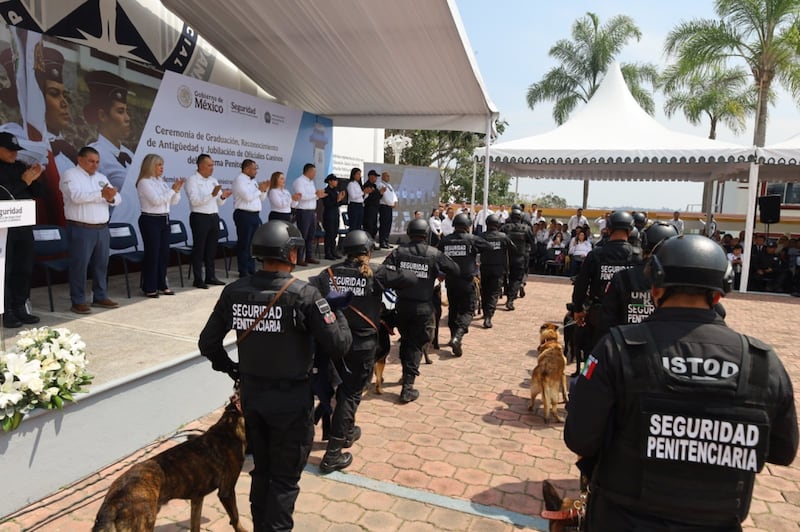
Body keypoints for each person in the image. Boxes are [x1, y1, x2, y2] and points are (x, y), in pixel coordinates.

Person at [564, 234, 798, 531]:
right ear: (718, 295)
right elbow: (782, 451)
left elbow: (580, 437)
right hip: (716, 521)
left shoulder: (618, 349)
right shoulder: (761, 362)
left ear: (655, 290)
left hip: (621, 517)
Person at [198, 220, 352, 531]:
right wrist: (338, 312)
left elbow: (208, 343)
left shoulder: (234, 291)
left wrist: (233, 370)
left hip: (253, 397)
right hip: (291, 402)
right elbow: (338, 344)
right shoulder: (305, 295)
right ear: (290, 254)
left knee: (263, 470)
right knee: (284, 478)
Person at [311, 230, 416, 473]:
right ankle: (333, 455)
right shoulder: (376, 272)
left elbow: (311, 293)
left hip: (333, 342)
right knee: (350, 394)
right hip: (362, 345)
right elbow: (409, 279)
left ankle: (346, 431)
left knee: (337, 389)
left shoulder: (328, 273)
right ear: (368, 251)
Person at [383, 219, 459, 403]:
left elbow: (384, 272)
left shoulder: (399, 252)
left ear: (409, 233)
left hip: (402, 306)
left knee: (407, 342)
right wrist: (438, 272)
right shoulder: (434, 254)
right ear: (426, 234)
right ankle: (407, 387)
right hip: (423, 308)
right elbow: (455, 269)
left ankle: (405, 376)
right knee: (416, 345)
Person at [571, 211, 640, 371]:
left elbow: (581, 285)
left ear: (607, 230)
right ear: (630, 231)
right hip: (628, 315)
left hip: (599, 314)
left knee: (594, 354)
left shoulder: (595, 254)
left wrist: (578, 309)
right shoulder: (638, 256)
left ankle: (588, 383)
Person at [60, 146, 120, 314]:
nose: (95, 165)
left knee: (101, 265)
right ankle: (78, 300)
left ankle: (100, 296)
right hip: (81, 228)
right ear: (80, 160)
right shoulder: (70, 175)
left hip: (102, 228)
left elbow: (117, 197)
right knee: (79, 266)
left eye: (97, 162)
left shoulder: (101, 177)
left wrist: (111, 196)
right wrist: (101, 194)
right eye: (91, 161)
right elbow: (75, 197)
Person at [0, 132, 43, 327]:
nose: (14, 154)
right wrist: (24, 181)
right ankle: (6, 311)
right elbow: (6, 195)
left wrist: (36, 178)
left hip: (23, 226)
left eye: (17, 151)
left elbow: (40, 193)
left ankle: (20, 307)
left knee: (23, 268)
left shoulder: (20, 167)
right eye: (10, 150)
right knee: (5, 270)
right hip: (3, 229)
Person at [438, 213, 491, 356]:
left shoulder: (445, 241)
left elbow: (437, 256)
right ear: (468, 226)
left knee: (453, 310)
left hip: (451, 282)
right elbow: (488, 247)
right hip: (467, 282)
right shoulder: (472, 239)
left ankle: (453, 336)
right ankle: (458, 336)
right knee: (468, 311)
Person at [35, 45, 76, 226]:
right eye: (54, 94)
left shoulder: (70, 151)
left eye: (64, 94)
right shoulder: (29, 145)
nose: (64, 103)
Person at [135, 154, 184, 298]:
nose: (162, 168)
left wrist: (177, 191)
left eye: (162, 165)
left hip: (164, 219)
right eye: (158, 165)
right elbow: (156, 201)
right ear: (150, 166)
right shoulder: (144, 182)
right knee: (153, 254)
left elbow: (172, 202)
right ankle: (149, 286)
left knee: (163, 254)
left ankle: (162, 284)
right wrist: (172, 190)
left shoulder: (160, 181)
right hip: (151, 220)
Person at [185, 154, 230, 288]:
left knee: (211, 249)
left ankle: (211, 276)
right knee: (199, 249)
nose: (212, 168)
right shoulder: (192, 180)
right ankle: (198, 279)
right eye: (209, 165)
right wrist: (211, 194)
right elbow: (195, 201)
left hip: (214, 216)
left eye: (213, 165)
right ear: (200, 165)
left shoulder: (213, 180)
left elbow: (220, 203)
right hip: (200, 217)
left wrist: (222, 196)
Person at [85, 71, 133, 193]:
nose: (127, 118)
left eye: (126, 111)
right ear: (102, 115)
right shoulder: (94, 155)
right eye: (120, 111)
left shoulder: (130, 155)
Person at [232, 159, 268, 278]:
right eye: (254, 169)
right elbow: (247, 197)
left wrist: (264, 190)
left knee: (252, 244)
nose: (256, 171)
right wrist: (259, 190)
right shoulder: (239, 180)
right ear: (246, 169)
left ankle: (251, 268)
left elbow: (261, 198)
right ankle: (243, 270)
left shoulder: (253, 181)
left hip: (254, 215)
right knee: (244, 243)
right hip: (244, 214)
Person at [478, 214, 515, 329]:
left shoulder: (481, 236)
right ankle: (488, 317)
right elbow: (514, 249)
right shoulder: (503, 237)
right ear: (497, 225)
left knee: (485, 291)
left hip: (484, 268)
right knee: (494, 293)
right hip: (498, 269)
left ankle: (485, 313)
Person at [500, 208, 535, 310]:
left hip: (506, 257)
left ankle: (508, 292)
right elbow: (532, 243)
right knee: (516, 279)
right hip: (520, 257)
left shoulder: (505, 228)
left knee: (506, 277)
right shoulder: (526, 228)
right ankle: (510, 300)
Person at [292, 163, 325, 265]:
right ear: (308, 171)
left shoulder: (311, 182)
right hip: (303, 211)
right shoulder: (299, 181)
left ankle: (309, 256)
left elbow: (312, 196)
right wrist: (315, 195)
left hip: (311, 212)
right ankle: (299, 258)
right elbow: (302, 196)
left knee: (311, 235)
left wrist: (318, 196)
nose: (315, 174)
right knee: (303, 235)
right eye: (314, 172)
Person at [321, 173, 346, 260]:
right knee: (329, 234)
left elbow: (337, 204)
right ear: (330, 181)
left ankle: (333, 251)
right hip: (329, 215)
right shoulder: (326, 191)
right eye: (334, 180)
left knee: (335, 233)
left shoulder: (336, 190)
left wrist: (341, 199)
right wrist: (337, 200)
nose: (336, 182)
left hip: (335, 214)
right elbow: (327, 204)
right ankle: (328, 253)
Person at [378, 171, 397, 248]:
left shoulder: (389, 185)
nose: (388, 177)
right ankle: (382, 242)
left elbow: (393, 195)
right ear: (382, 177)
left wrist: (395, 201)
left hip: (389, 207)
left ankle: (386, 241)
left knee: (388, 224)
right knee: (384, 224)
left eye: (388, 176)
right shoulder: (380, 184)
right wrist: (391, 204)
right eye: (386, 176)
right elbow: (384, 197)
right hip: (384, 206)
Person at [362, 169, 381, 241]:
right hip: (369, 209)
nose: (376, 178)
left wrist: (380, 194)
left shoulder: (374, 186)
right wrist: (379, 194)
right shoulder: (367, 185)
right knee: (369, 227)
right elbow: (368, 198)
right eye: (375, 176)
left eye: (376, 177)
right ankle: (368, 243)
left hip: (375, 209)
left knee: (374, 227)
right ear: (370, 177)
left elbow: (377, 197)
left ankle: (372, 242)